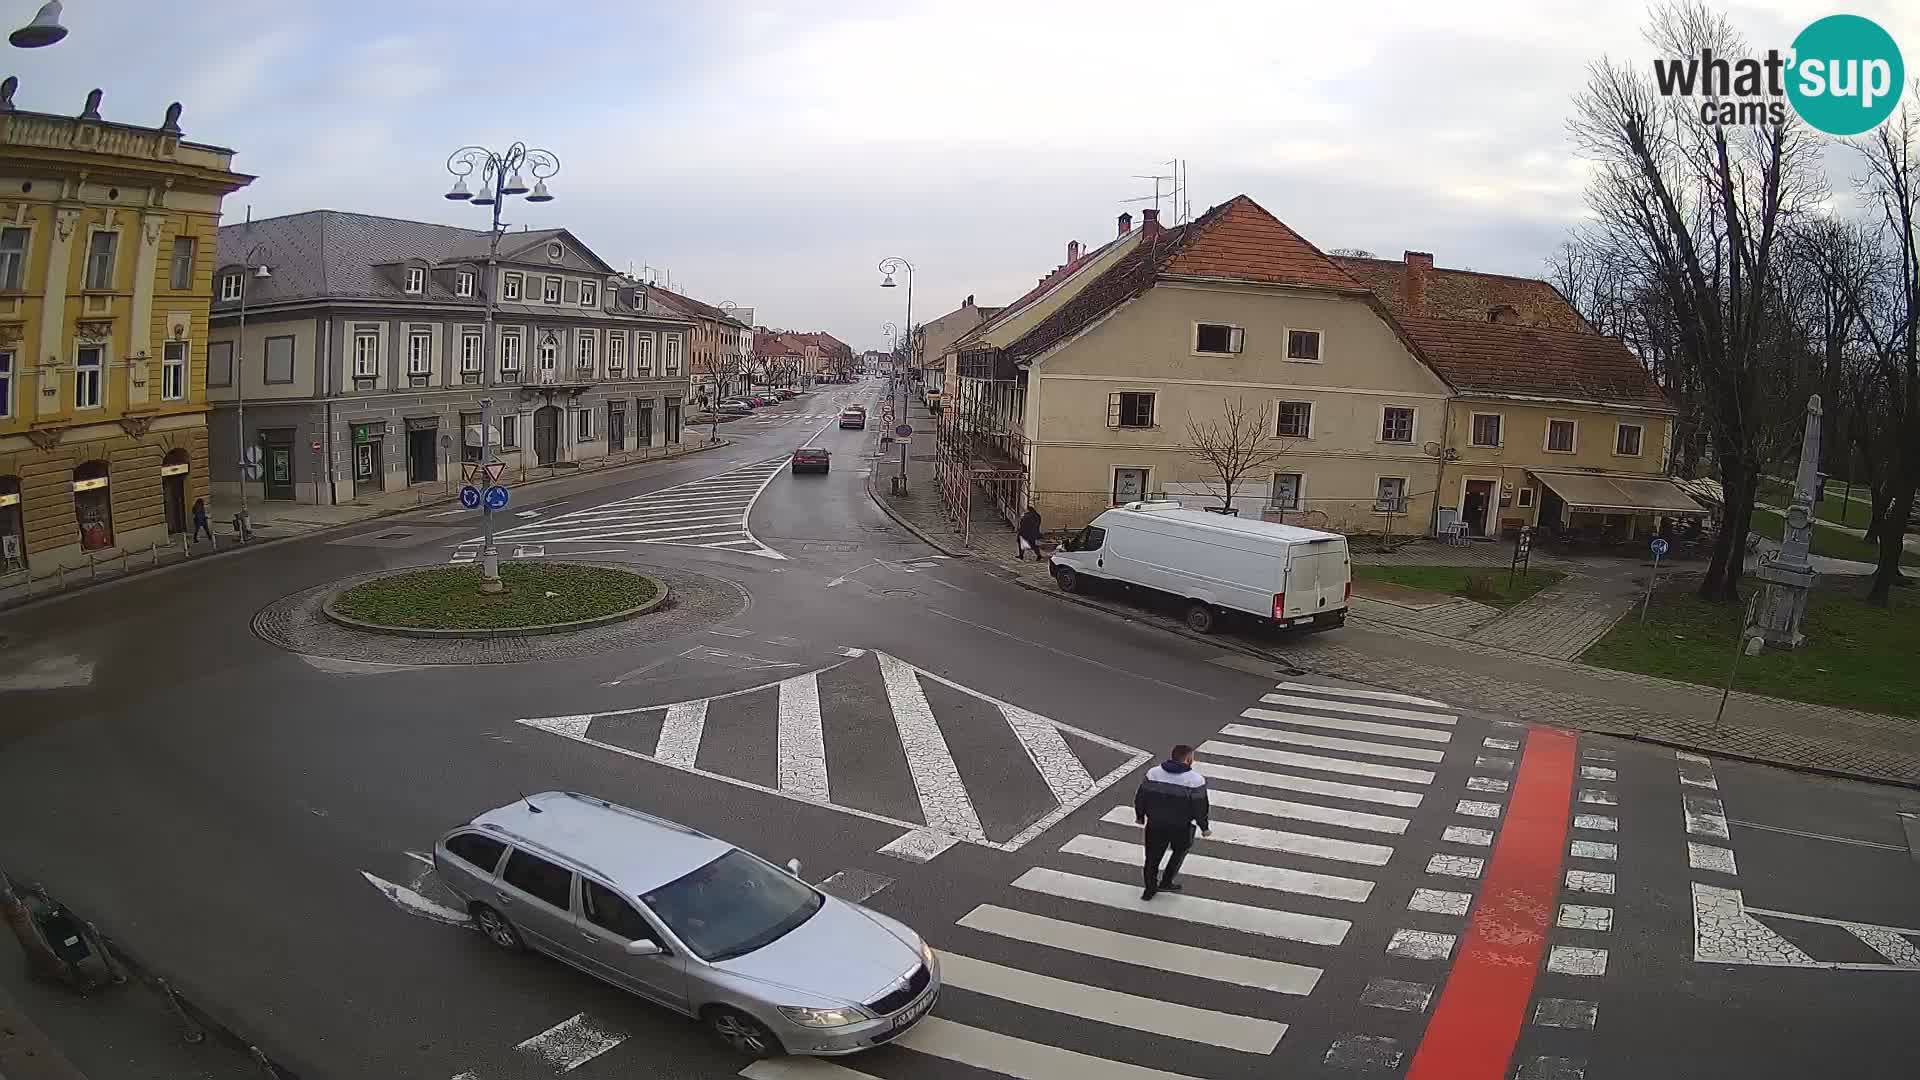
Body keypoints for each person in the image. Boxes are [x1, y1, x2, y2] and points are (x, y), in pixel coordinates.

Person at [1133, 743, 1210, 900]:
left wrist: (1140, 816)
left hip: (1155, 824)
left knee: (1152, 858)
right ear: (1188, 759)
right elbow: (1200, 807)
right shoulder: (1195, 780)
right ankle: (1167, 881)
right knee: (1180, 851)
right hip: (1181, 827)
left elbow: (1141, 796)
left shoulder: (1153, 773)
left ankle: (1149, 889)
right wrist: (1204, 827)